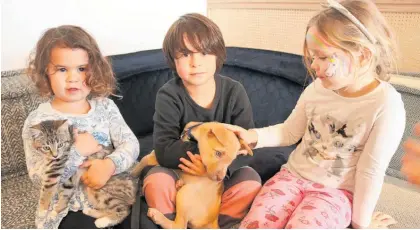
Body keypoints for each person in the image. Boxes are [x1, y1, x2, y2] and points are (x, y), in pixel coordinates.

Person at [226, 0, 405, 228]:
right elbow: (289, 131)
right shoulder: (317, 88)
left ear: (363, 56)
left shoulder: (386, 104)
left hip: (336, 193)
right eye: (312, 57)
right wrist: (253, 136)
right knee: (256, 223)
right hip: (290, 178)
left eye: (323, 57)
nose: (314, 66)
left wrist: (361, 223)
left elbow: (370, 171)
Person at [139, 13, 262, 228]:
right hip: (181, 174)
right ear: (173, 60)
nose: (196, 63)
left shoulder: (234, 92)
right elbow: (164, 150)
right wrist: (205, 160)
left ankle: (223, 223)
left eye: (204, 53)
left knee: (250, 180)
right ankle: (170, 221)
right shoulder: (168, 95)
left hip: (219, 180)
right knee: (156, 180)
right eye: (185, 54)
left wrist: (215, 169)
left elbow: (245, 145)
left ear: (218, 56)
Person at [22, 25, 139, 229]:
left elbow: (130, 143)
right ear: (45, 73)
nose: (73, 77)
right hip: (69, 208)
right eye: (62, 69)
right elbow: (40, 179)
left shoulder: (105, 106)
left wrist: (110, 164)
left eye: (82, 69)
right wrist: (77, 152)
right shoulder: (38, 121)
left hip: (114, 194)